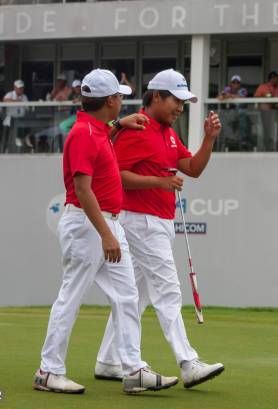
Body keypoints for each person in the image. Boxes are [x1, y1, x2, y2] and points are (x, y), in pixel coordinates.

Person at [34, 68, 179, 395]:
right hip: (90, 225)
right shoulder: (84, 134)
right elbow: (83, 190)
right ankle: (48, 370)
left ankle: (133, 370)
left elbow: (100, 139)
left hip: (104, 224)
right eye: (119, 98)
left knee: (127, 295)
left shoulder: (96, 128)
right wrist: (107, 234)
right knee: (70, 297)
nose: (121, 103)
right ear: (111, 100)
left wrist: (118, 125)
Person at [94, 68, 225, 389]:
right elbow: (117, 175)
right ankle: (188, 362)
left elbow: (192, 169)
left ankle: (108, 361)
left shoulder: (167, 132)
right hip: (137, 219)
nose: (181, 107)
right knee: (167, 290)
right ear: (156, 97)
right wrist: (160, 181)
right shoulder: (137, 128)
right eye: (176, 100)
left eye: (184, 102)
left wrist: (208, 139)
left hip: (158, 220)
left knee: (135, 296)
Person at [218, 75, 251, 150]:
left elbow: (242, 97)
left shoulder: (243, 90)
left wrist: (229, 95)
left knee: (242, 119)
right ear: (231, 83)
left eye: (237, 82)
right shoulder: (227, 89)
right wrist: (226, 95)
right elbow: (219, 97)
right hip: (231, 113)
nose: (235, 84)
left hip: (241, 112)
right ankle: (230, 138)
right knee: (222, 119)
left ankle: (243, 140)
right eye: (234, 82)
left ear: (240, 84)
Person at [254, 70, 278, 151]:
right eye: (276, 78)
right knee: (266, 130)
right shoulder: (263, 87)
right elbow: (256, 98)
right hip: (266, 112)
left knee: (276, 130)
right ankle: (267, 147)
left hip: (277, 113)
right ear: (272, 78)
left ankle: (276, 146)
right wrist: (266, 98)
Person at [2, 80, 30, 153]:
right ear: (15, 88)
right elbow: (5, 100)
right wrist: (17, 101)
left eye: (22, 88)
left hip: (22, 119)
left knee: (28, 124)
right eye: (19, 88)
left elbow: (28, 108)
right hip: (11, 119)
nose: (21, 90)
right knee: (18, 124)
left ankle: (24, 142)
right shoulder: (10, 94)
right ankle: (17, 142)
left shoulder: (24, 96)